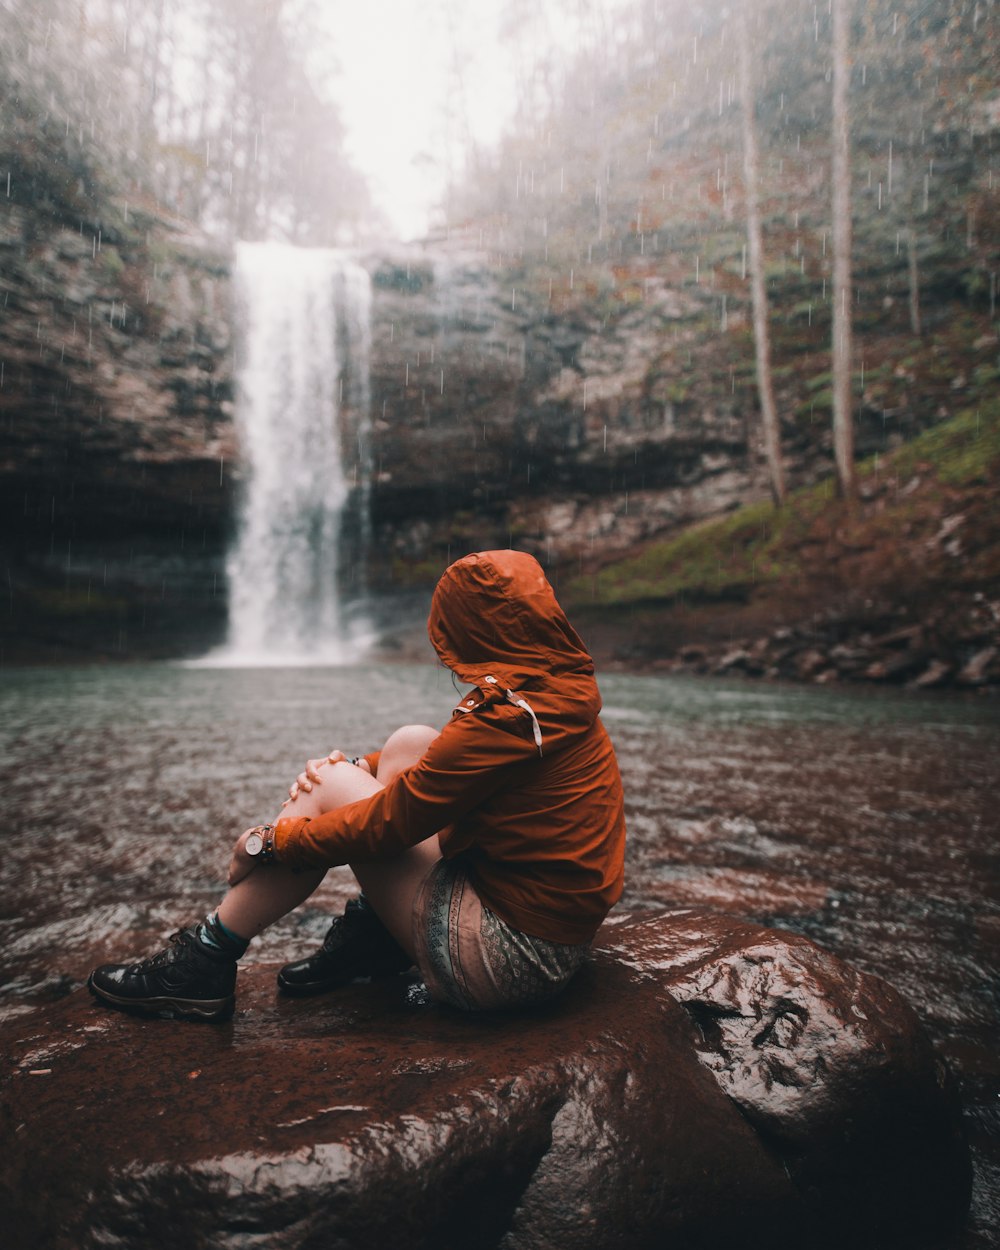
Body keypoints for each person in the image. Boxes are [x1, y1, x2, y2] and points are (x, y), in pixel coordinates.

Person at [88, 550, 626, 1021]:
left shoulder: (505, 718)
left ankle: (203, 960)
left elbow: (387, 827)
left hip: (511, 963)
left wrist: (268, 842)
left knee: (328, 789)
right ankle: (376, 940)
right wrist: (362, 768)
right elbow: (448, 768)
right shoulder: (555, 691)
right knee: (408, 742)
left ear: (465, 627)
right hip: (553, 943)